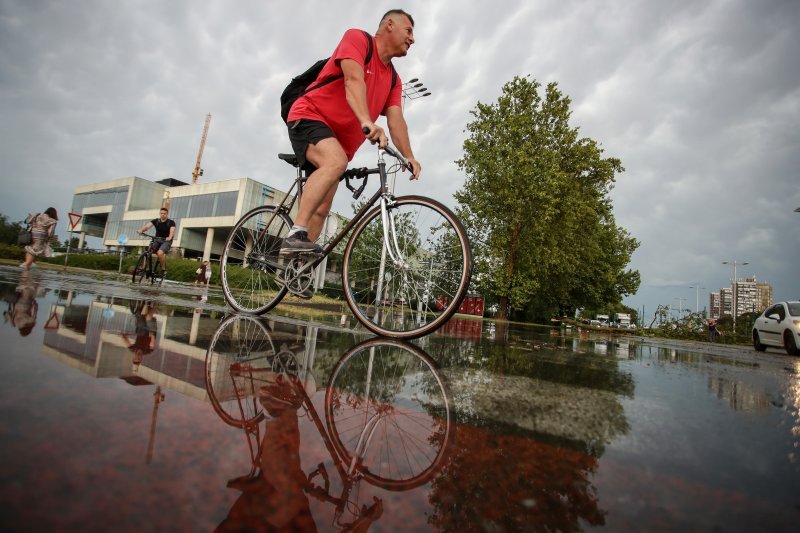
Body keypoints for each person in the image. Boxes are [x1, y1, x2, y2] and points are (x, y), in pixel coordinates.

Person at [281, 9, 421, 255]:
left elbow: (396, 119)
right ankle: (295, 233)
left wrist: (408, 155)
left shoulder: (393, 80)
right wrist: (367, 120)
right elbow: (353, 81)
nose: (413, 39)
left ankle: (295, 272)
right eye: (408, 30)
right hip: (309, 115)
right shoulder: (358, 40)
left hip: (338, 142)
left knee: (324, 208)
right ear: (390, 24)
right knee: (336, 162)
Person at [137, 207, 175, 278]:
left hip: (166, 241)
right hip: (157, 239)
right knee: (148, 251)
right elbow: (147, 227)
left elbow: (172, 232)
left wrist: (169, 237)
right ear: (159, 214)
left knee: (160, 253)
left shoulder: (171, 222)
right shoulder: (156, 221)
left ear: (167, 214)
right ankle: (144, 267)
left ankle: (163, 268)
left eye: (164, 214)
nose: (163, 215)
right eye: (161, 213)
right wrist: (141, 230)